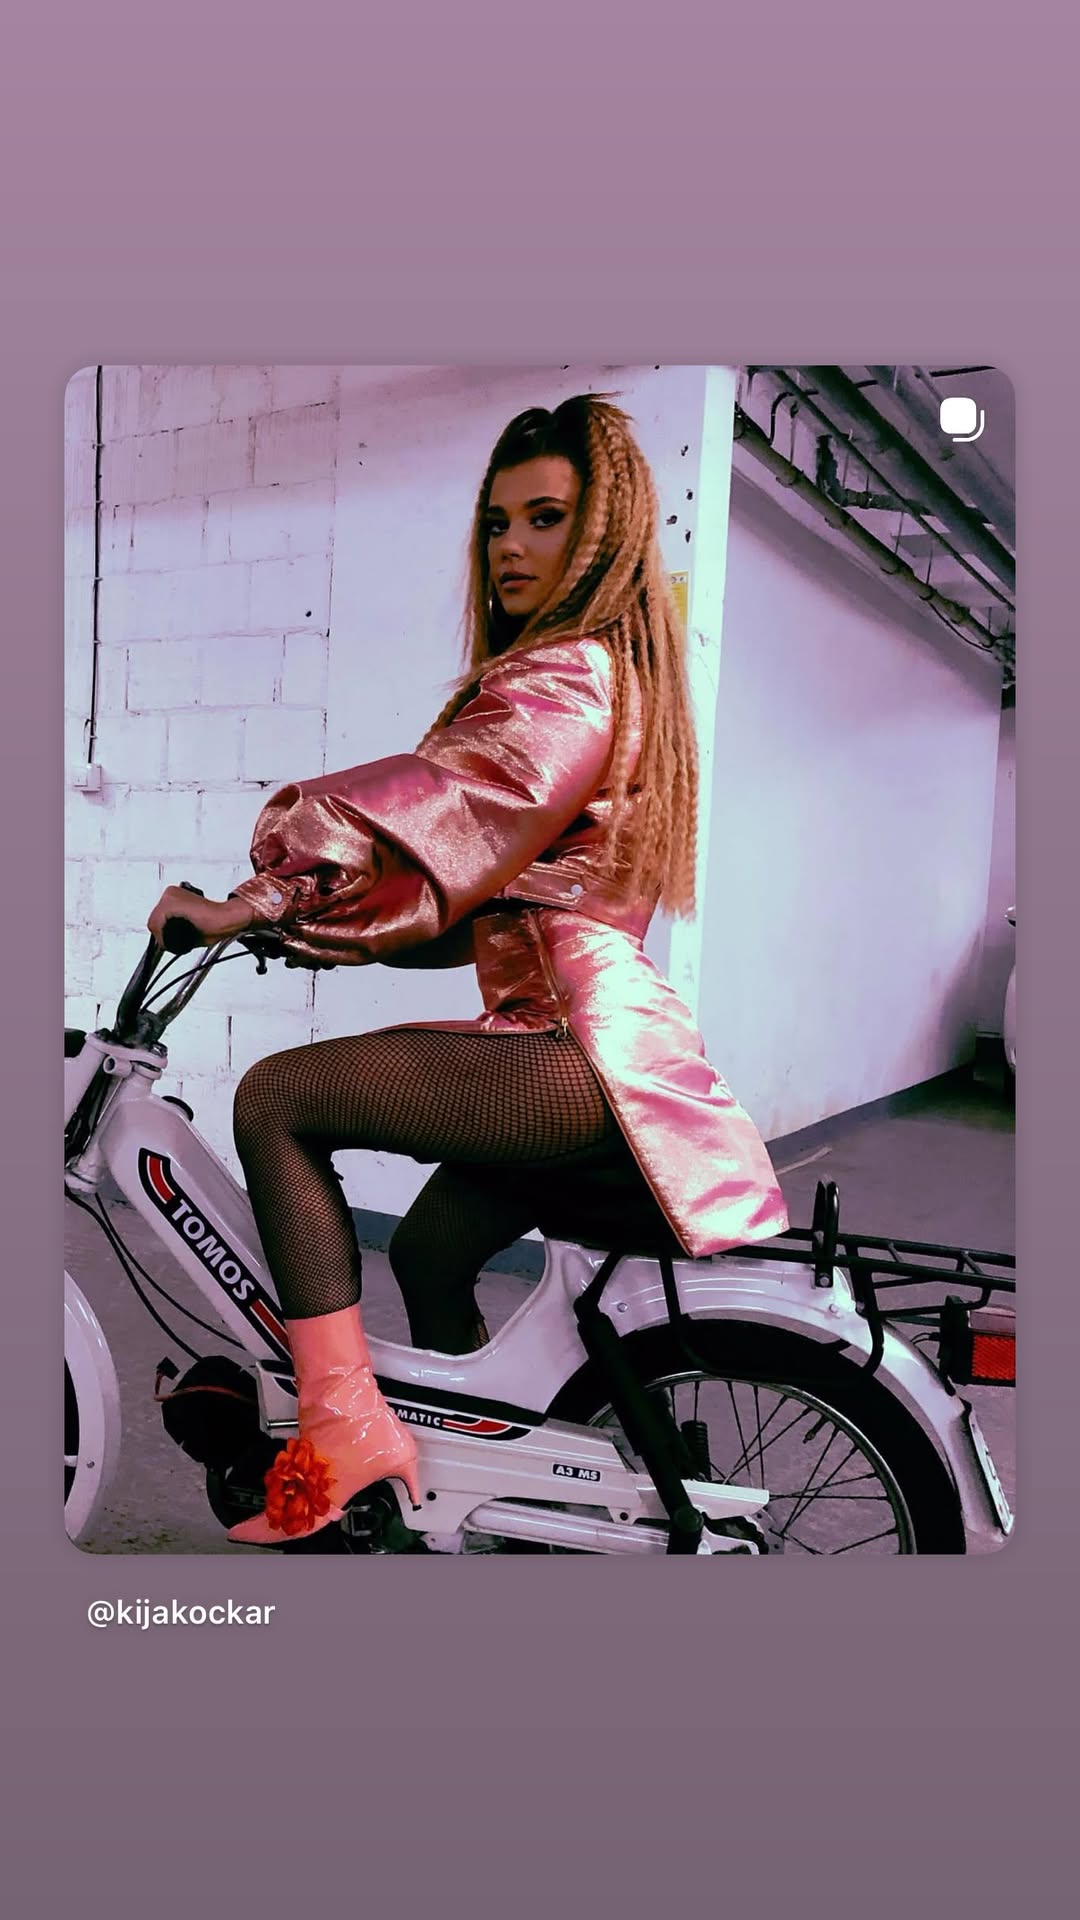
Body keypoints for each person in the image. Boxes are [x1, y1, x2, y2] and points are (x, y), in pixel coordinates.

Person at [148, 393, 789, 1546]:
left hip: (568, 1050)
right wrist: (299, 933)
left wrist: (263, 891)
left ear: (601, 533)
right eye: (498, 523)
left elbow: (433, 805)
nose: (511, 547)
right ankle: (486, 1497)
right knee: (433, 1253)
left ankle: (342, 1428)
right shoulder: (611, 676)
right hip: (602, 1044)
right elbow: (476, 909)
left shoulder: (564, 679)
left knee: (274, 1098)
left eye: (546, 518)